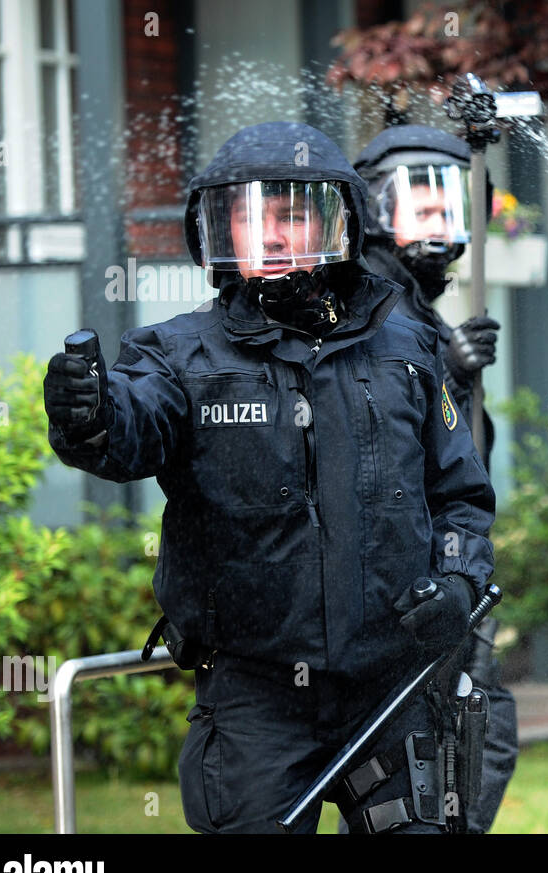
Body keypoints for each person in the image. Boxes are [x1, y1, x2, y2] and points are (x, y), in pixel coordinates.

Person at [42, 121, 496, 834]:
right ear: (219, 235)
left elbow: (461, 496)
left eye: (291, 215)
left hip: (391, 683)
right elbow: (126, 435)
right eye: (250, 220)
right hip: (256, 699)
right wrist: (90, 416)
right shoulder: (177, 355)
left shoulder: (408, 343)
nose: (273, 237)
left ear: (338, 222)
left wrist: (460, 581)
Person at [354, 124, 516, 834]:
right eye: (423, 205)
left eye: (453, 206)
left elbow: (462, 461)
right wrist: (444, 370)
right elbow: (373, 435)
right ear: (375, 209)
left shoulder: (418, 307)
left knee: (470, 742)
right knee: (431, 758)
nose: (442, 222)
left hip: (447, 577)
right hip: (410, 589)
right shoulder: (372, 305)